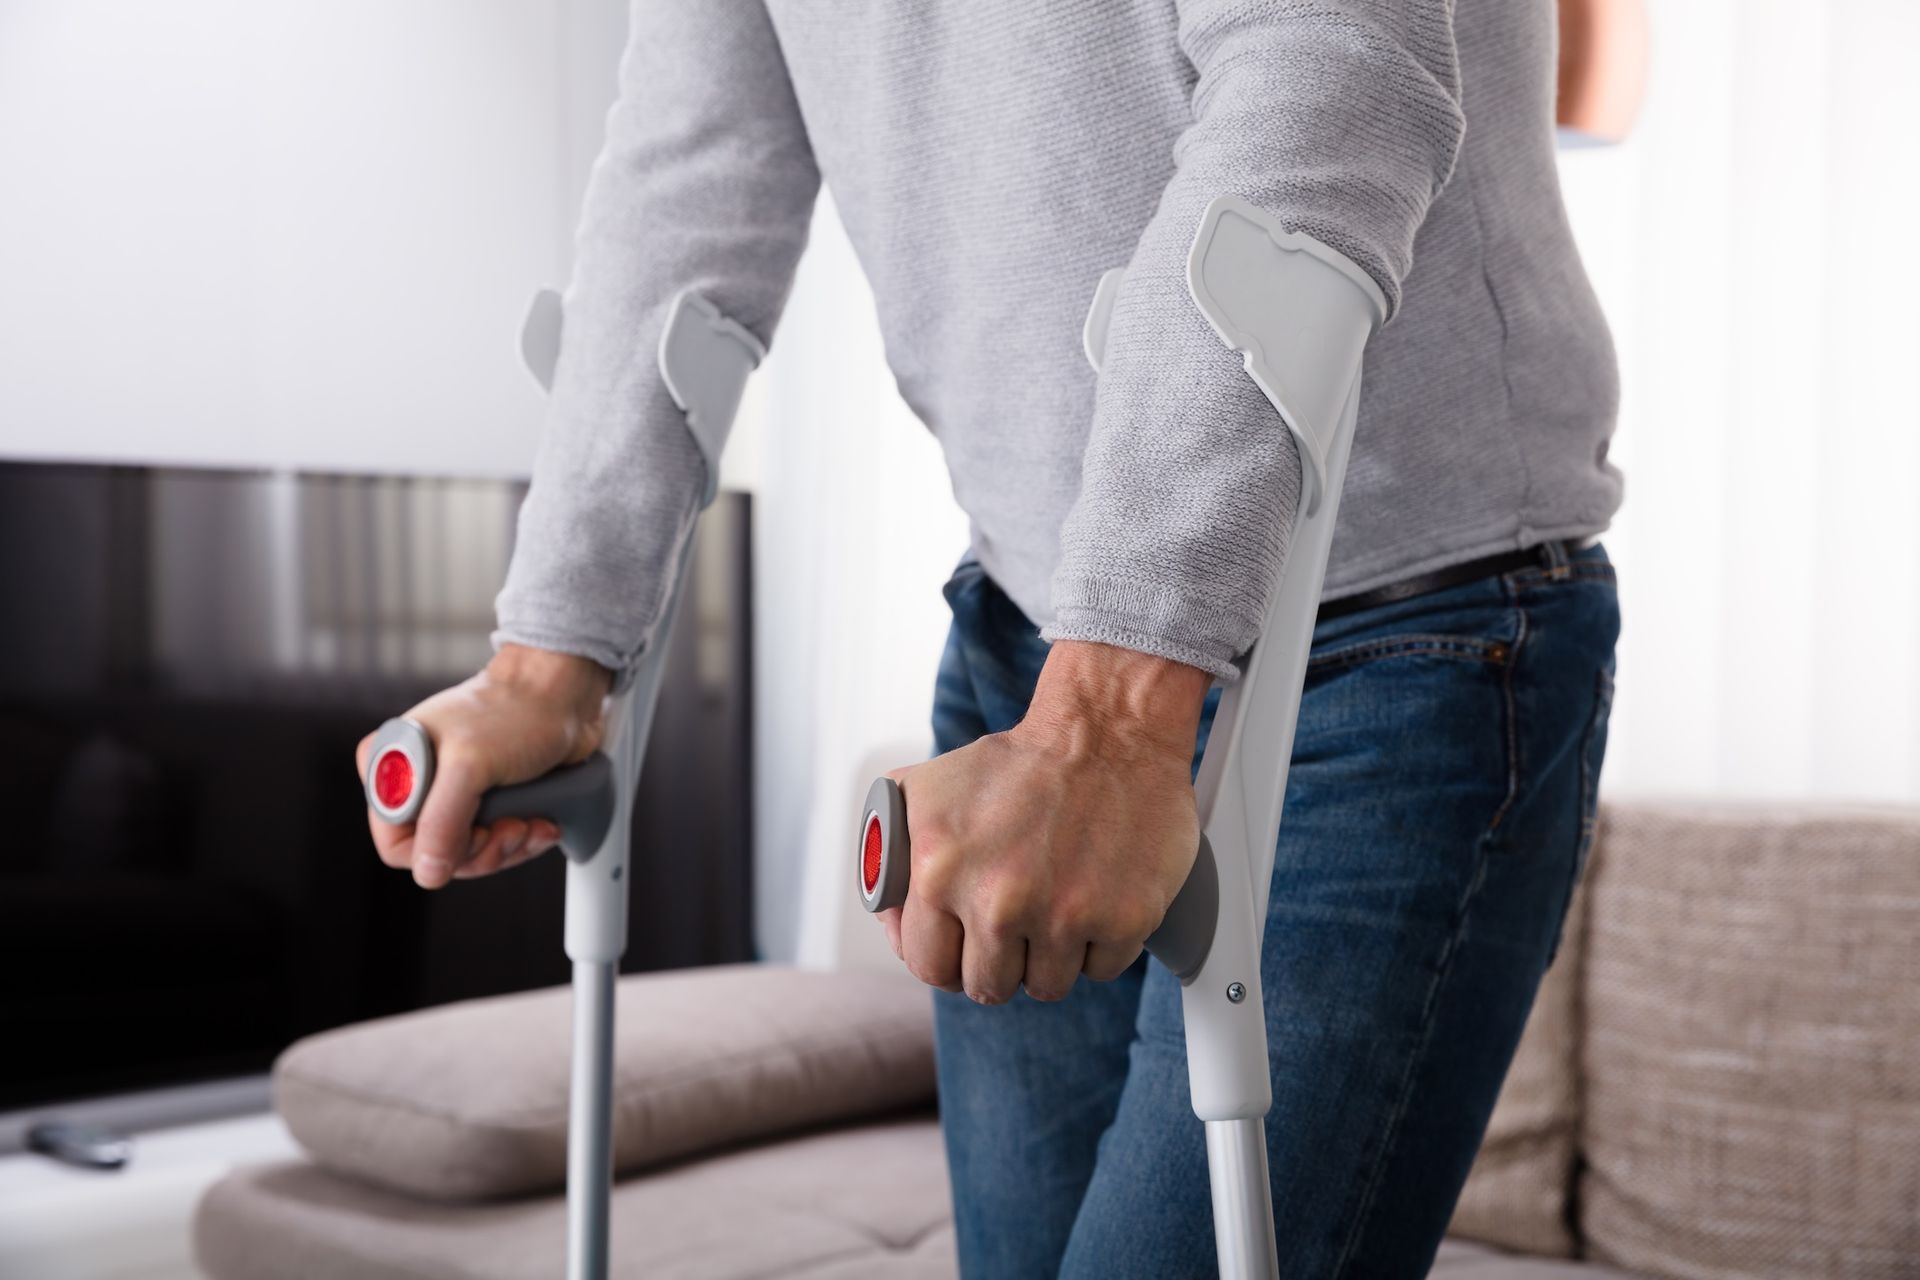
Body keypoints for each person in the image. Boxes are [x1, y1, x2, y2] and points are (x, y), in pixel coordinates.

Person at [360, 2, 1622, 1274]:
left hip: (1402, 633)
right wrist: (552, 650)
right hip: (1033, 641)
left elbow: (1334, 82)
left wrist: (1118, 710)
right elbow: (688, 179)